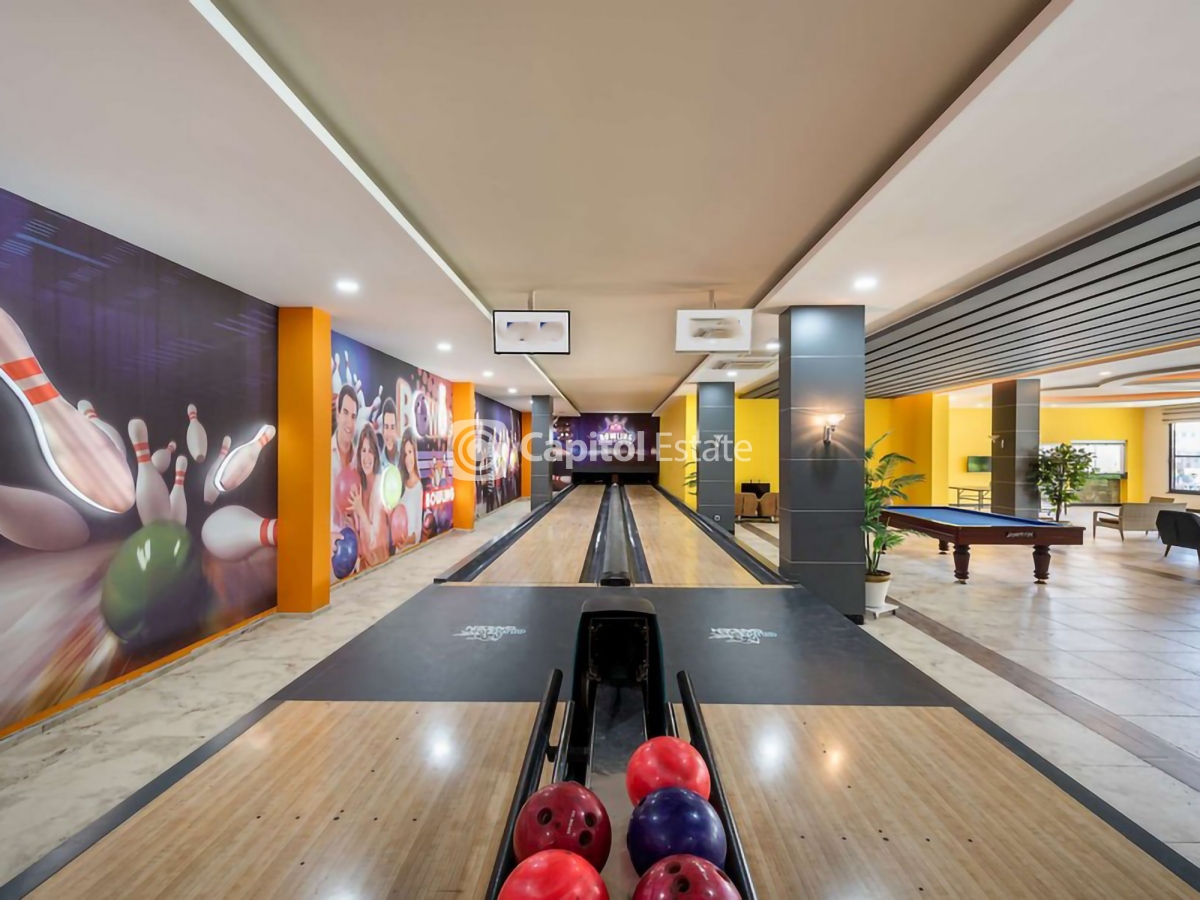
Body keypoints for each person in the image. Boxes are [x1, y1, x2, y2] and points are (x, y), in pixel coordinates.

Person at [348, 428, 388, 568]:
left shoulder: (379, 488)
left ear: (375, 455)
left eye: (370, 451)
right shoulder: (360, 484)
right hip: (364, 566)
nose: (366, 457)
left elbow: (373, 542)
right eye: (363, 450)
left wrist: (360, 510)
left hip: (380, 567)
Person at [331, 385, 359, 531]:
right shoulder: (324, 455)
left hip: (354, 540)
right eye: (346, 413)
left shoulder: (360, 460)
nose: (349, 422)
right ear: (338, 413)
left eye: (353, 416)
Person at [397, 429, 424, 547]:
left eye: (410, 452)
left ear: (415, 453)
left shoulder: (418, 488)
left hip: (409, 550)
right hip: (397, 550)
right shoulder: (400, 483)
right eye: (405, 454)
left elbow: (418, 531)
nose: (408, 458)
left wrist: (407, 541)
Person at [379, 398, 400, 468]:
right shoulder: (379, 462)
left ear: (396, 429)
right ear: (383, 429)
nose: (389, 433)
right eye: (386, 427)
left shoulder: (405, 449)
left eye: (392, 427)